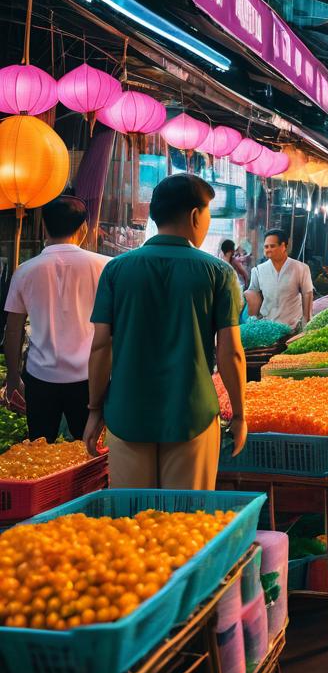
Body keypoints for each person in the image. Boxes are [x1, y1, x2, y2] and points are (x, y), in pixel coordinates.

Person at [85, 174, 247, 489]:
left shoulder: (116, 270)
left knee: (133, 521)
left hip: (126, 412)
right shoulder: (218, 273)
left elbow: (101, 346)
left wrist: (94, 409)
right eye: (209, 213)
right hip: (192, 415)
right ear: (195, 215)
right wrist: (239, 414)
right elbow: (231, 352)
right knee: (186, 523)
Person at [3, 196, 108, 441]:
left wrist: (12, 375)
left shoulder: (25, 271)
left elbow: (13, 330)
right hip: (90, 377)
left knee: (41, 447)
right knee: (91, 447)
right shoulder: (105, 267)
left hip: (41, 377)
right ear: (83, 229)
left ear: (43, 227)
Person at [246, 229, 314, 331]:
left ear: (283, 246)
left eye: (272, 246)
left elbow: (307, 294)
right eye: (266, 246)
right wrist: (253, 322)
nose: (268, 249)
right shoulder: (258, 270)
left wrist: (307, 321)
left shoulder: (301, 268)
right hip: (268, 327)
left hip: (293, 326)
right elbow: (253, 296)